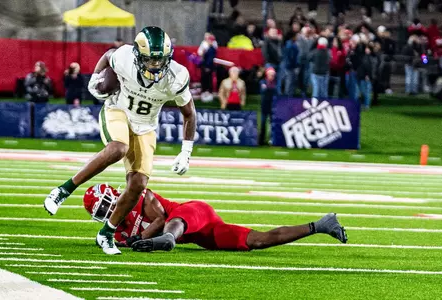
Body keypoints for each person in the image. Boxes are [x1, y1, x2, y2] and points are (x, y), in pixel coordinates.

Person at [43, 26, 197, 255]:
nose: (155, 66)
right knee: (118, 148)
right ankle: (63, 190)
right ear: (137, 55)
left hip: (145, 125)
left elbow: (189, 113)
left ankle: (106, 233)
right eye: (149, 60)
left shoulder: (177, 76)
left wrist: (186, 152)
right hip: (118, 110)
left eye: (160, 60)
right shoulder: (124, 56)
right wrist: (96, 78)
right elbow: (107, 56)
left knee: (138, 185)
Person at [83, 184, 348, 252]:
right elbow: (108, 241)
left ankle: (167, 241)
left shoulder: (140, 195)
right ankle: (320, 224)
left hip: (191, 212)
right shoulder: (114, 230)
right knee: (257, 241)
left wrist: (142, 239)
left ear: (115, 195)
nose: (108, 212)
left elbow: (161, 217)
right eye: (102, 212)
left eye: (107, 205)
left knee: (173, 225)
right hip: (203, 235)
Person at [259, 67, 277, 146]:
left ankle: (271, 140)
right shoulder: (263, 82)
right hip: (264, 105)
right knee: (263, 123)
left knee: (272, 124)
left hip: (272, 106)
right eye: (270, 74)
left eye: (273, 75)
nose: (271, 76)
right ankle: (261, 140)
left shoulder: (275, 83)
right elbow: (263, 90)